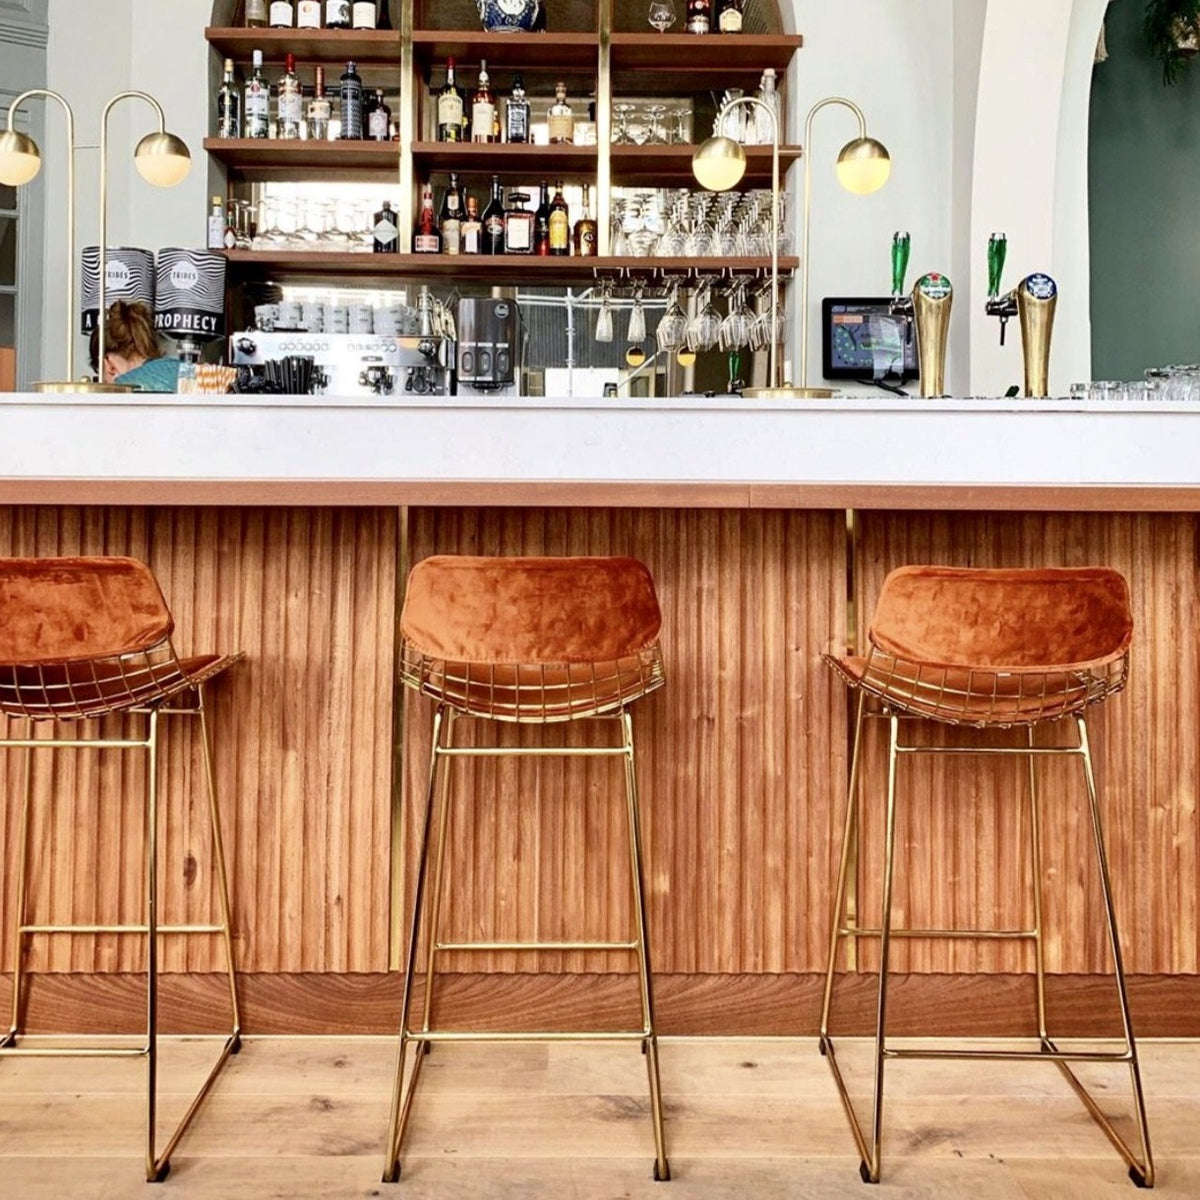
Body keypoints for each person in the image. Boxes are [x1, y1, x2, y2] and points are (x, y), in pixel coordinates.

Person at [88, 300, 180, 392]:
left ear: (108, 365)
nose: (106, 382)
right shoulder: (182, 369)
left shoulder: (124, 387)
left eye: (105, 379)